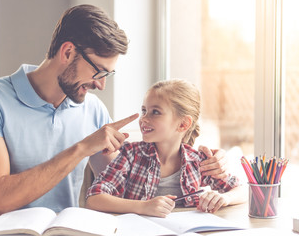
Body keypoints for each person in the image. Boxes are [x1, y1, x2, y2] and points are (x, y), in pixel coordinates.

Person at [0, 4, 229, 217]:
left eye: (107, 75)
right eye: (98, 71)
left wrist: (207, 165)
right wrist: (81, 148)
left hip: (68, 229)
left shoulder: (93, 109)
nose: (100, 85)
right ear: (67, 53)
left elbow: (128, 186)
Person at [86, 79, 246, 218]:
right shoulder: (130, 155)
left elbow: (242, 190)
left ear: (183, 124)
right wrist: (144, 207)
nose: (144, 119)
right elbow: (94, 198)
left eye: (155, 112)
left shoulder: (198, 162)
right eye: (144, 111)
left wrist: (225, 198)